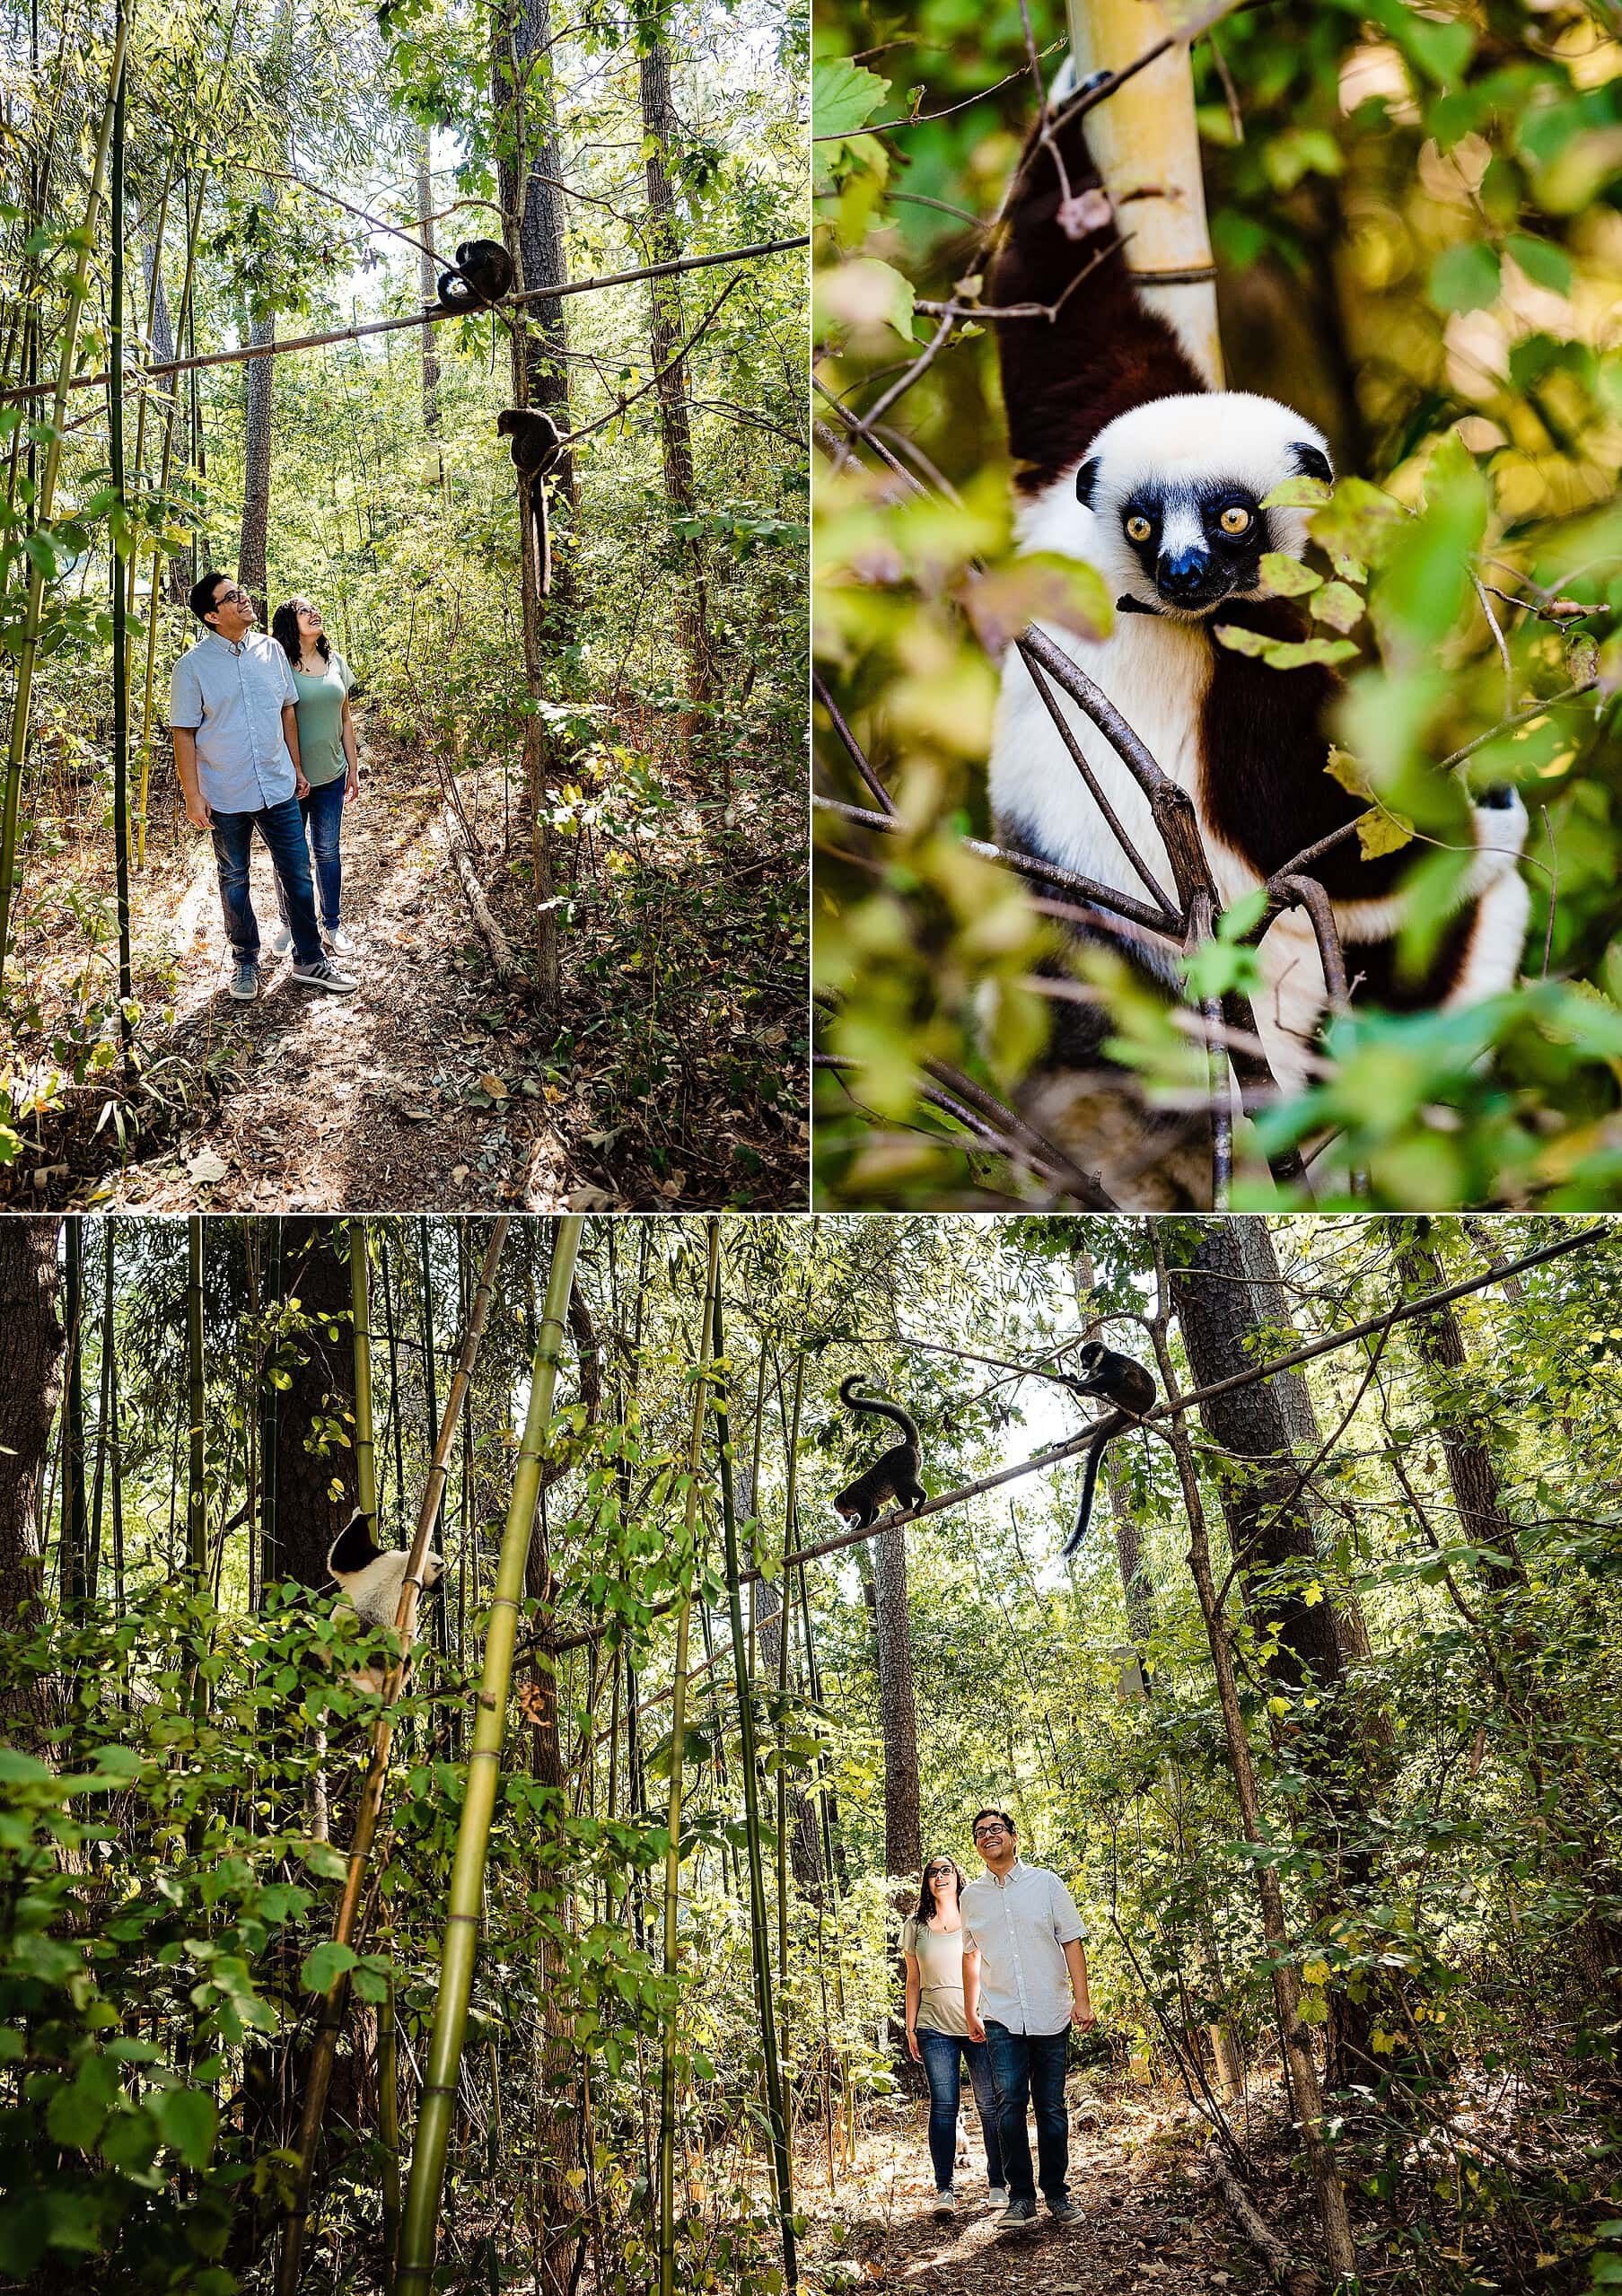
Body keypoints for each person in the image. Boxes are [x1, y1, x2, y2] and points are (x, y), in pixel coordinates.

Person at [170, 573, 357, 1003]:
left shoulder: (271, 650)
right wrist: (193, 794)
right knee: (234, 877)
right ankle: (245, 960)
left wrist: (295, 766)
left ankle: (309, 958)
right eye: (231, 597)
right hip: (225, 790)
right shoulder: (193, 667)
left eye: (241, 592)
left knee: (297, 872)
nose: (244, 599)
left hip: (277, 784)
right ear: (212, 615)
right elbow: (183, 734)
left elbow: (288, 711)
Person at [961, 1808, 1094, 2230]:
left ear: (1013, 1837)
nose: (988, 1836)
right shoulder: (971, 1897)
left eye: (996, 1829)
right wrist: (972, 2009)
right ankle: (1021, 2198)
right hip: (1000, 2014)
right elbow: (970, 1954)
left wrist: (1083, 2000)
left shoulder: (1046, 1884)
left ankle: (1057, 2193)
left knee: (1051, 2108)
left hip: (1050, 2010)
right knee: (1008, 2106)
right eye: (980, 1833)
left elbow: (1072, 1941)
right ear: (977, 1845)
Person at [902, 1853, 1007, 2218]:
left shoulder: (973, 1915)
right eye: (932, 1872)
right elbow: (913, 1980)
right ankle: (944, 2188)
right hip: (933, 2026)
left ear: (957, 1876)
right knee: (944, 2106)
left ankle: (998, 2183)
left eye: (946, 1870)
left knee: (990, 2104)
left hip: (978, 2023)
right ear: (927, 1882)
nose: (939, 1876)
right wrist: (910, 2026)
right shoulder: (915, 1925)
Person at [264, 597, 361, 960]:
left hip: (332, 776)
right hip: (291, 780)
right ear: (291, 624)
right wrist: (291, 770)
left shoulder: (335, 661)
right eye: (305, 612)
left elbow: (346, 719)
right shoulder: (280, 666)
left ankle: (332, 925)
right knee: (291, 857)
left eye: (315, 609)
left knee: (328, 852)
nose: (314, 614)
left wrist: (353, 768)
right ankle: (290, 923)